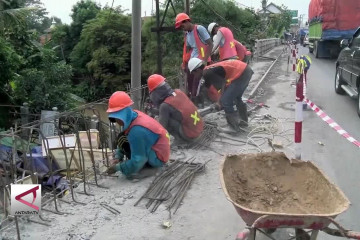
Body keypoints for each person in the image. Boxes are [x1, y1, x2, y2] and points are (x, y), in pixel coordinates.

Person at [106, 91, 170, 177]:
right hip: (158, 146)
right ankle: (139, 165)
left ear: (123, 114)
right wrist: (118, 156)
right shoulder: (133, 115)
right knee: (122, 137)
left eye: (117, 117)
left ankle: (149, 169)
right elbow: (124, 137)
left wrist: (119, 168)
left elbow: (139, 159)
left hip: (159, 157)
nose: (116, 121)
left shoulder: (137, 130)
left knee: (137, 163)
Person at [188, 58, 254, 132]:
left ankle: (233, 127)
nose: (195, 76)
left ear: (197, 70)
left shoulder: (207, 73)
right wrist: (219, 101)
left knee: (226, 101)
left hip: (242, 73)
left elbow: (224, 85)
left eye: (194, 74)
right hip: (245, 70)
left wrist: (220, 102)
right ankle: (243, 122)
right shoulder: (209, 69)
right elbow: (224, 83)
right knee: (236, 98)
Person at [147, 74, 204, 143]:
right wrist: (152, 110)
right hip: (198, 129)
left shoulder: (165, 106)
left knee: (166, 122)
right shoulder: (178, 92)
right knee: (167, 116)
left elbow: (162, 128)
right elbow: (167, 111)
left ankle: (180, 140)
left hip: (190, 136)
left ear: (155, 92)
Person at [175, 13, 213, 104]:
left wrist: (204, 60)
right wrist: (184, 63)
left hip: (201, 62)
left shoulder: (199, 29)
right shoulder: (187, 34)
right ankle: (193, 102)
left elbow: (210, 44)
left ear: (187, 21)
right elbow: (188, 50)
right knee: (190, 82)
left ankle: (198, 102)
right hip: (193, 62)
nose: (182, 28)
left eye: (182, 25)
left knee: (197, 83)